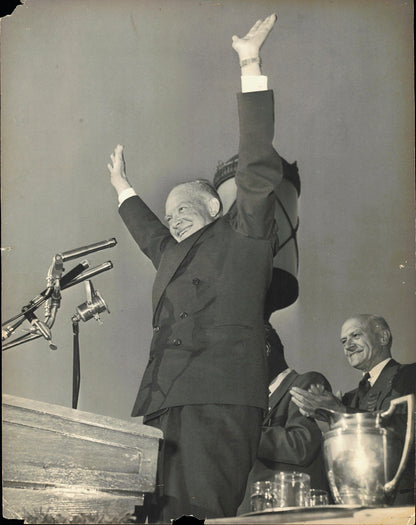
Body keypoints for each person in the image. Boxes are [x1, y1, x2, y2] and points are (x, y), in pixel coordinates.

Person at [107, 14, 289, 521]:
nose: (173, 223)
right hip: (163, 405)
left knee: (204, 513)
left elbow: (256, 168)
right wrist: (123, 187)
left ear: (213, 208)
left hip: (220, 403)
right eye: (169, 217)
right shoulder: (171, 254)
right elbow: (148, 234)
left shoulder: (244, 236)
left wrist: (250, 64)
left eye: (183, 210)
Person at [290, 314, 416, 505]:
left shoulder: (409, 375)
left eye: (355, 335)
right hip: (357, 502)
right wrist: (326, 417)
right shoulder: (350, 397)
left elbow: (404, 431)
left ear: (383, 337)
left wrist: (340, 411)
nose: (347, 346)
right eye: (343, 341)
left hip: (401, 500)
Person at [237, 323, 331, 514]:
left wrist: (241, 433)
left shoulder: (306, 382)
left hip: (290, 511)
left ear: (265, 350)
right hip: (254, 513)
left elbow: (301, 445)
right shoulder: (256, 401)